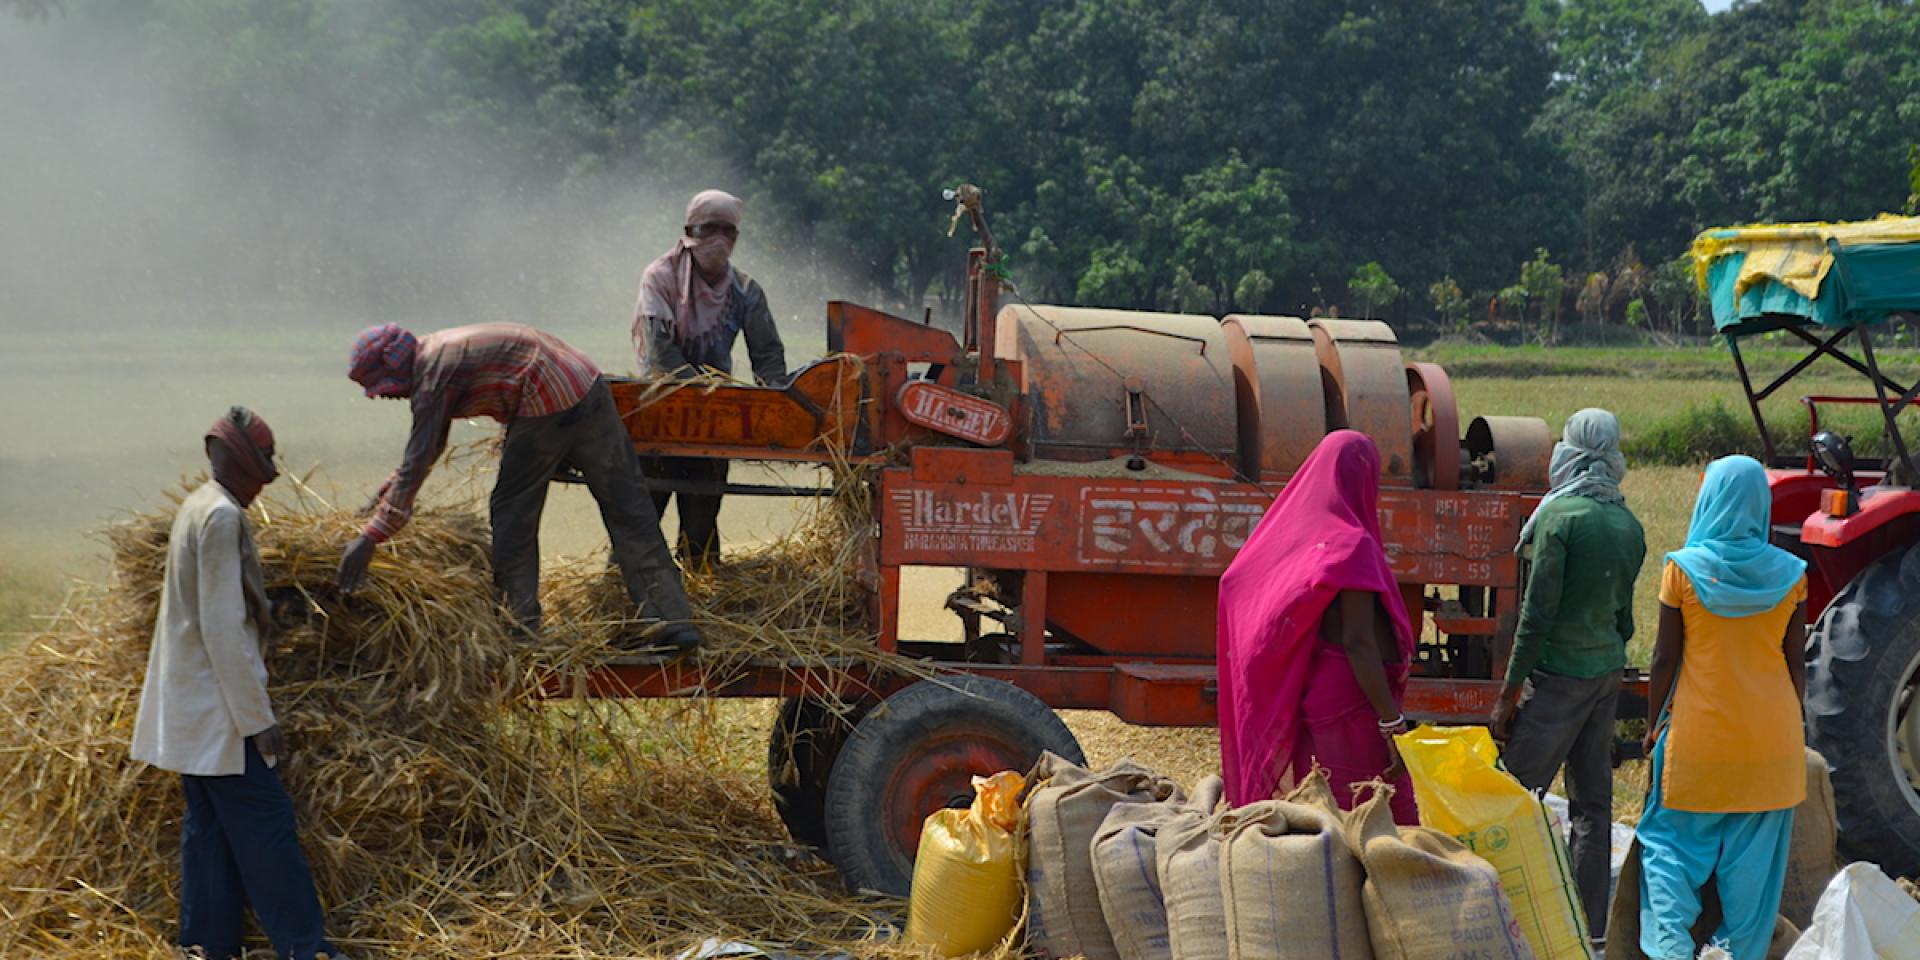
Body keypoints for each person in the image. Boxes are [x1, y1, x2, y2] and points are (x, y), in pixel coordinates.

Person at [337, 322, 699, 651]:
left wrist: (371, 537)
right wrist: (389, 491)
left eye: (380, 385)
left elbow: (421, 455)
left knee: (512, 514)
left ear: (393, 364)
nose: (383, 396)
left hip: (547, 400)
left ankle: (518, 629)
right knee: (630, 509)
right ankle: (672, 621)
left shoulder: (433, 372)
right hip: (587, 386)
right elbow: (429, 447)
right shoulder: (439, 351)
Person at [130, 408, 344, 960]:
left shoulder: (196, 505)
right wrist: (259, 720)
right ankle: (305, 948)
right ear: (245, 465)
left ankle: (205, 944)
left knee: (209, 829)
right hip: (219, 710)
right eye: (263, 470)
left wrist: (271, 609)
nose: (264, 484)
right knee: (265, 825)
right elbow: (223, 628)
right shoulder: (223, 518)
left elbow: (218, 606)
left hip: (190, 706)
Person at [1638, 455, 1807, 960]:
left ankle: (1670, 952)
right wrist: (1791, 728)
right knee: (1753, 880)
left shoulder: (1682, 570)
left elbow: (1665, 658)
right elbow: (1796, 664)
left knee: (1669, 853)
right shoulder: (1793, 574)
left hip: (1698, 745)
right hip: (1771, 749)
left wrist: (1652, 727)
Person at [1491, 408, 1645, 948]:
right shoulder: (1628, 524)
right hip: (1605, 674)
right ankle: (1591, 933)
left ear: (1572, 452)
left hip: (1561, 678)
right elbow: (1625, 618)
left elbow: (1535, 620)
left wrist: (1508, 697)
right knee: (1593, 807)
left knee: (1510, 794)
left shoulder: (1559, 520)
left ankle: (1501, 914)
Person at [1217, 430, 1420, 824]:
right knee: (1380, 817)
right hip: (1352, 703)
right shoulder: (1353, 544)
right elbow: (1358, 640)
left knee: (1328, 811)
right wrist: (1391, 723)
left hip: (1315, 696)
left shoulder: (1306, 538)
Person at [630, 189, 788, 568]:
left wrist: (779, 408)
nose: (718, 240)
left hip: (714, 419)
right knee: (642, 517)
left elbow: (767, 355)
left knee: (701, 519)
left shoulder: (745, 291)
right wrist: (698, 389)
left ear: (736, 238)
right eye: (708, 229)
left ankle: (697, 597)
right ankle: (630, 595)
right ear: (689, 231)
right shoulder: (661, 276)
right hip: (660, 411)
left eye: (728, 231)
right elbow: (659, 350)